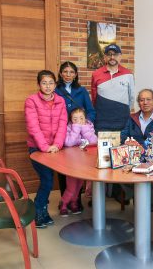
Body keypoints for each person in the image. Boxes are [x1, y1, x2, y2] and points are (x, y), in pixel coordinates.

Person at [25, 70, 67, 228]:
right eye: (44, 83)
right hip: (37, 148)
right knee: (47, 181)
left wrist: (56, 145)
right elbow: (33, 127)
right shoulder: (31, 101)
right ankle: (38, 212)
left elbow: (63, 125)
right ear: (38, 84)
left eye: (51, 83)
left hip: (55, 149)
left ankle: (42, 211)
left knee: (48, 181)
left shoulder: (61, 101)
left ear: (55, 84)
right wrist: (45, 147)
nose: (48, 86)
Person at [56, 61, 96, 209]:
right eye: (65, 71)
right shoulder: (55, 90)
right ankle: (64, 199)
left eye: (71, 72)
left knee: (79, 168)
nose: (68, 74)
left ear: (76, 74)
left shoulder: (82, 91)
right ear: (60, 73)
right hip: (63, 133)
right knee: (63, 169)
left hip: (80, 137)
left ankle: (76, 200)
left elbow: (91, 111)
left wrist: (85, 124)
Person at [59, 108, 97, 217]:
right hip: (71, 163)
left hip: (84, 164)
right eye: (75, 119)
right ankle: (63, 204)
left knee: (79, 186)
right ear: (71, 120)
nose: (78, 121)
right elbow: (69, 143)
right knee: (71, 187)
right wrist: (76, 128)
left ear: (85, 119)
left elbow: (94, 141)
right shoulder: (69, 128)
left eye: (81, 118)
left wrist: (84, 129)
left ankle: (74, 203)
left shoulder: (89, 127)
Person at [91, 44, 135, 132]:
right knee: (102, 145)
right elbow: (94, 97)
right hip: (102, 122)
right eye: (109, 54)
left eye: (115, 54)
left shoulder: (128, 74)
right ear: (105, 57)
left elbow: (131, 97)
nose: (112, 57)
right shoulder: (96, 74)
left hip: (122, 121)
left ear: (120, 57)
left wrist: (122, 110)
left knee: (122, 145)